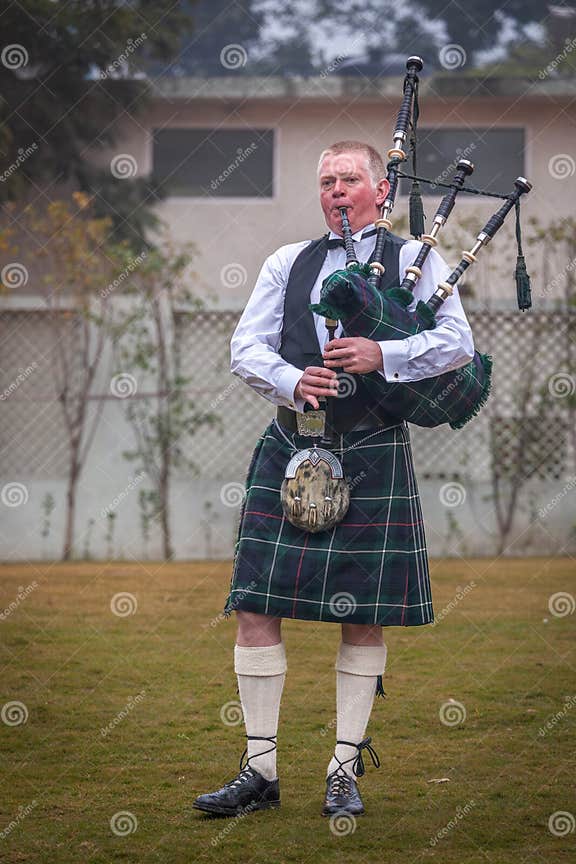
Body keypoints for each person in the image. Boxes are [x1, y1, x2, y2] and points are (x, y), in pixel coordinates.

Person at [193, 140, 474, 819]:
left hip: (373, 448)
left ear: (382, 189)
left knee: (364, 615)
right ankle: (259, 772)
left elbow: (459, 341)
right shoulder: (288, 262)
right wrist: (293, 380)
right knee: (257, 604)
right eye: (327, 180)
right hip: (295, 440)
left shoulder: (417, 259)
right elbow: (245, 348)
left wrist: (388, 351)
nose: (337, 190)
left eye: (350, 178)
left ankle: (343, 770)